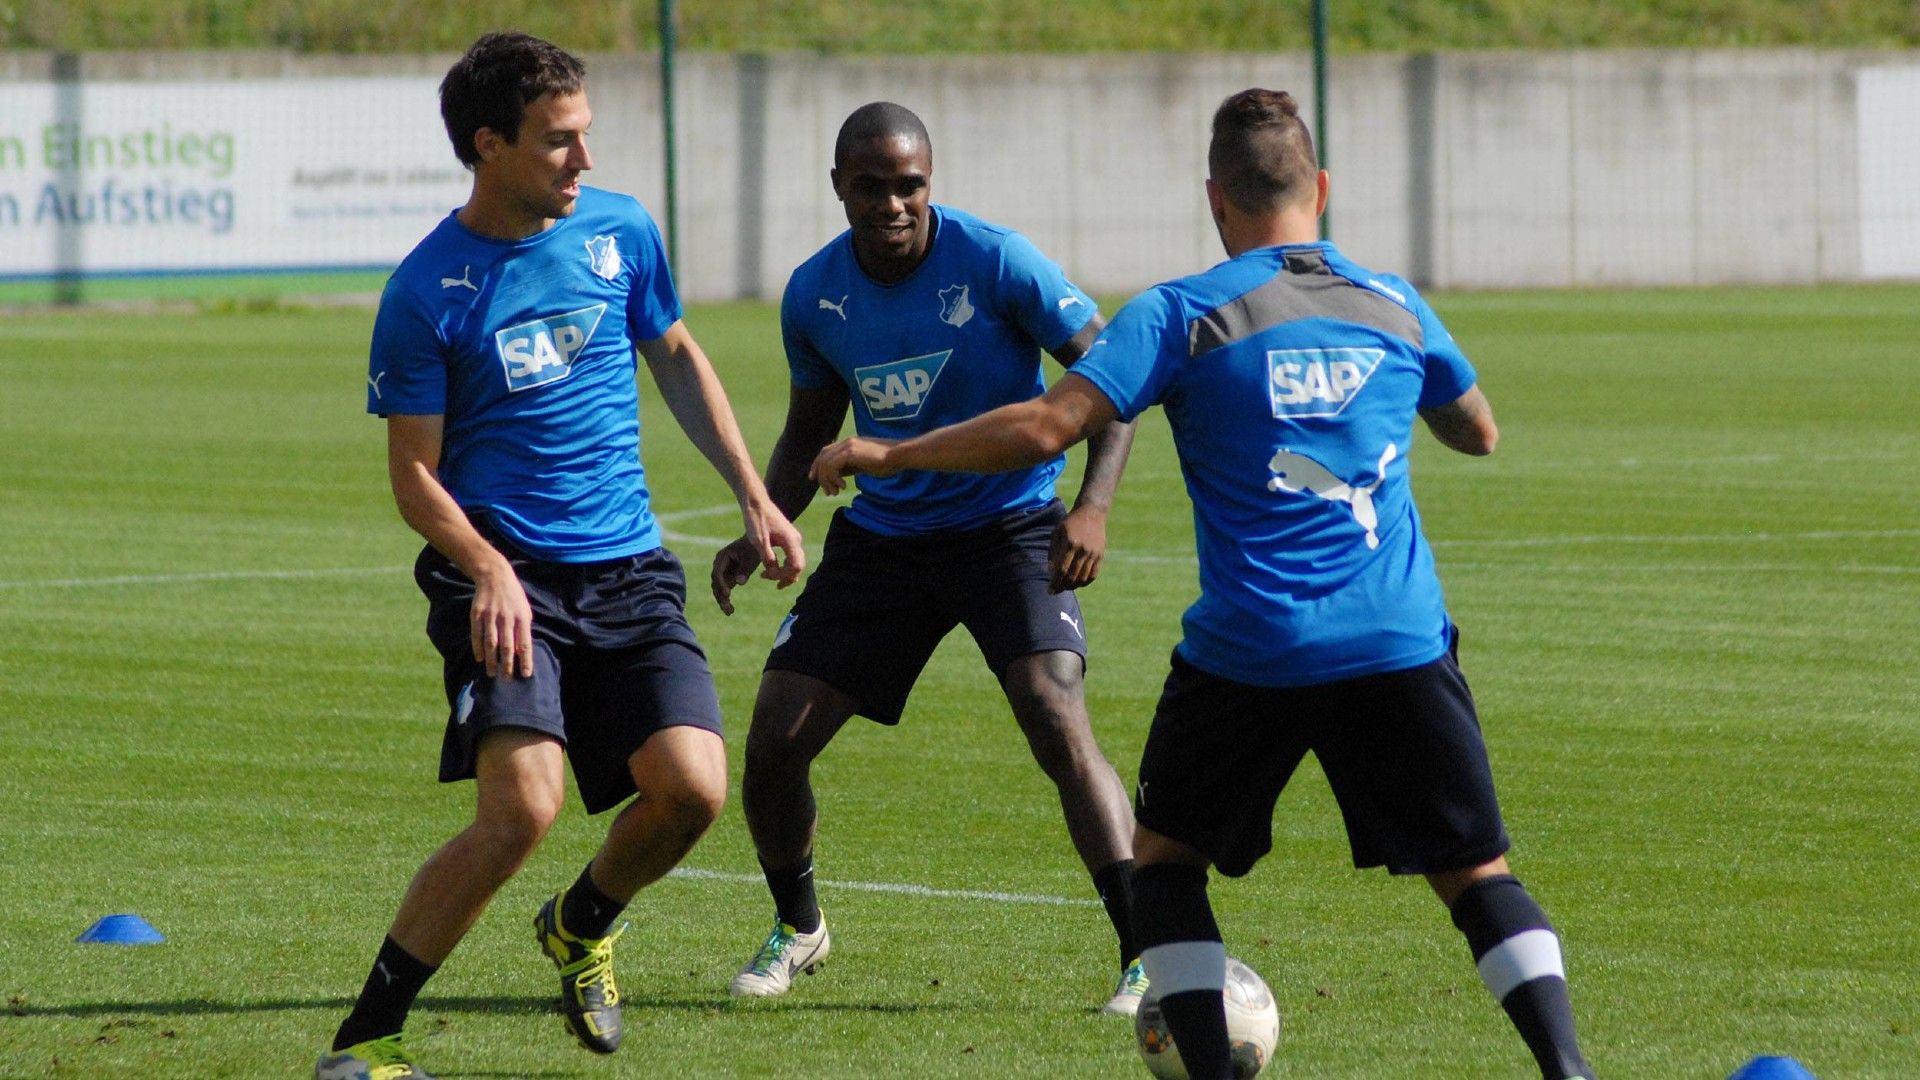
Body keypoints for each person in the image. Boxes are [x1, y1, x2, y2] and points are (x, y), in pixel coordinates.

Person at [809, 89, 1596, 1080]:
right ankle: (1567, 1066)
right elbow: (1476, 430)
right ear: (1320, 189)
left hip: (1250, 648)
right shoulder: (1395, 303)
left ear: (1215, 199)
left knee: (1167, 870)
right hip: (1396, 638)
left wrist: (889, 451)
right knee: (1476, 875)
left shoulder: (1181, 314)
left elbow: (1046, 427)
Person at [317, 32, 803, 1080]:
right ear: (489, 145)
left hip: (628, 567)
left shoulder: (620, 230)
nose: (584, 159)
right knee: (522, 811)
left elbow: (677, 353)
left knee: (692, 792)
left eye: (585, 135)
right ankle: (363, 1043)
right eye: (558, 141)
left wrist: (753, 490)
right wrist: (488, 568)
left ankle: (581, 924)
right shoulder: (426, 292)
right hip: (506, 580)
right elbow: (414, 479)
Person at [708, 101, 1149, 1014]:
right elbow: (809, 431)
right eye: (871, 187)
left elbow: (1112, 377)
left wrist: (1093, 507)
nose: (893, 204)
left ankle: (1147, 951)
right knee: (774, 745)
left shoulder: (997, 260)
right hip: (887, 540)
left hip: (1009, 526)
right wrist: (761, 525)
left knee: (1053, 710)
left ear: (930, 181)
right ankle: (800, 927)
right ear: (839, 187)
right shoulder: (814, 295)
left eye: (909, 185)